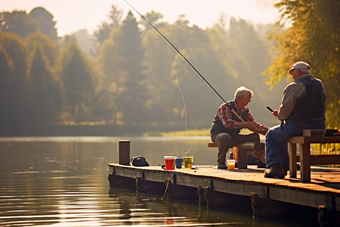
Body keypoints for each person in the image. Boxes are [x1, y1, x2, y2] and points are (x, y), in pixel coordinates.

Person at [265, 61, 327, 179]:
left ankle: (276, 167)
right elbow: (323, 102)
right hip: (319, 125)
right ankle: (284, 166)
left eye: (293, 73)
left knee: (271, 135)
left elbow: (286, 110)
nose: (292, 76)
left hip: (298, 126)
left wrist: (280, 116)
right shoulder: (320, 84)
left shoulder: (294, 86)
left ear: (298, 72)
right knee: (279, 135)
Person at [210, 86, 269, 169]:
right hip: (219, 135)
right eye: (248, 98)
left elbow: (254, 125)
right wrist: (245, 125)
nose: (250, 100)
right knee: (225, 137)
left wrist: (270, 132)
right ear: (241, 98)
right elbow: (228, 124)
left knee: (254, 137)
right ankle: (221, 162)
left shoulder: (245, 110)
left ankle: (262, 160)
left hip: (234, 137)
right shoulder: (225, 108)